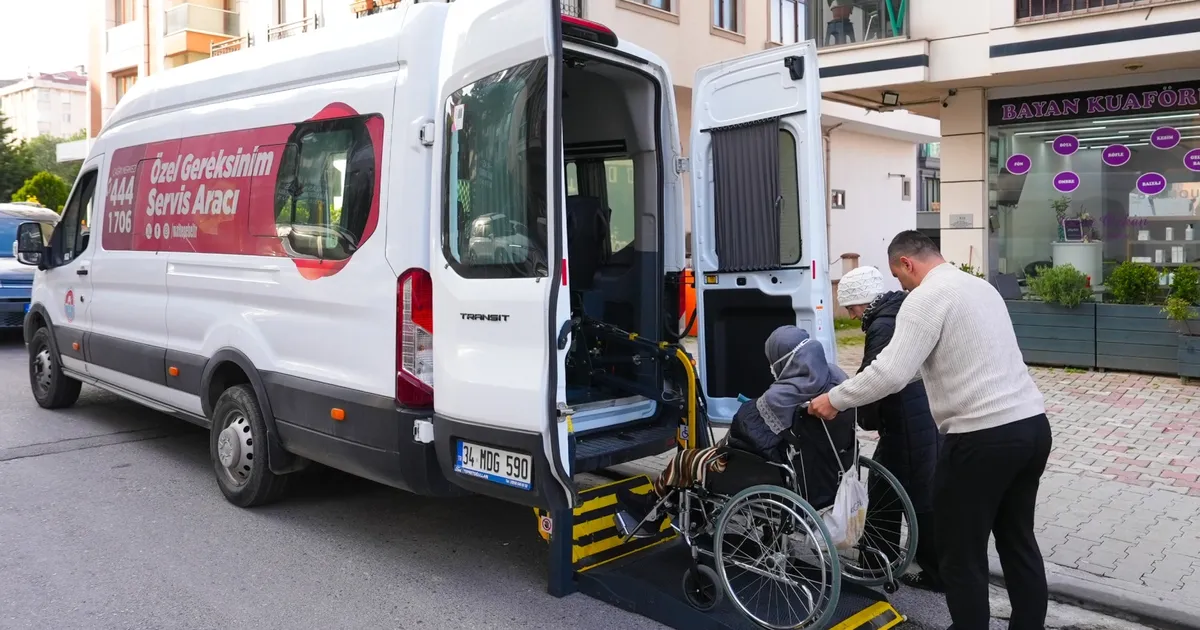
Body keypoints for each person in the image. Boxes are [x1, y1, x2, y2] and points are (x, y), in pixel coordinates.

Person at [809, 231, 1051, 630]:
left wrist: (834, 399)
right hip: (1032, 426)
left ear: (908, 263)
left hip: (980, 437)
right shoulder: (981, 287)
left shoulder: (925, 298)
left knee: (961, 552)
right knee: (1017, 540)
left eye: (898, 274)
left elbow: (890, 372)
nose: (899, 285)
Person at [616, 326, 856, 536]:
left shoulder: (778, 398)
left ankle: (649, 511)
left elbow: (742, 437)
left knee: (685, 460)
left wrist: (752, 411)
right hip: (824, 472)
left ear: (783, 361)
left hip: (774, 474)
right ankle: (690, 512)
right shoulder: (837, 383)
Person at [837, 265, 943, 593]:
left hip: (906, 421)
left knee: (897, 491)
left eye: (852, 308)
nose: (852, 316)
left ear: (864, 302)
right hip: (922, 414)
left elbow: (874, 377)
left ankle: (914, 569)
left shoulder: (882, 326)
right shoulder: (900, 312)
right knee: (906, 488)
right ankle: (881, 560)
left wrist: (858, 416)